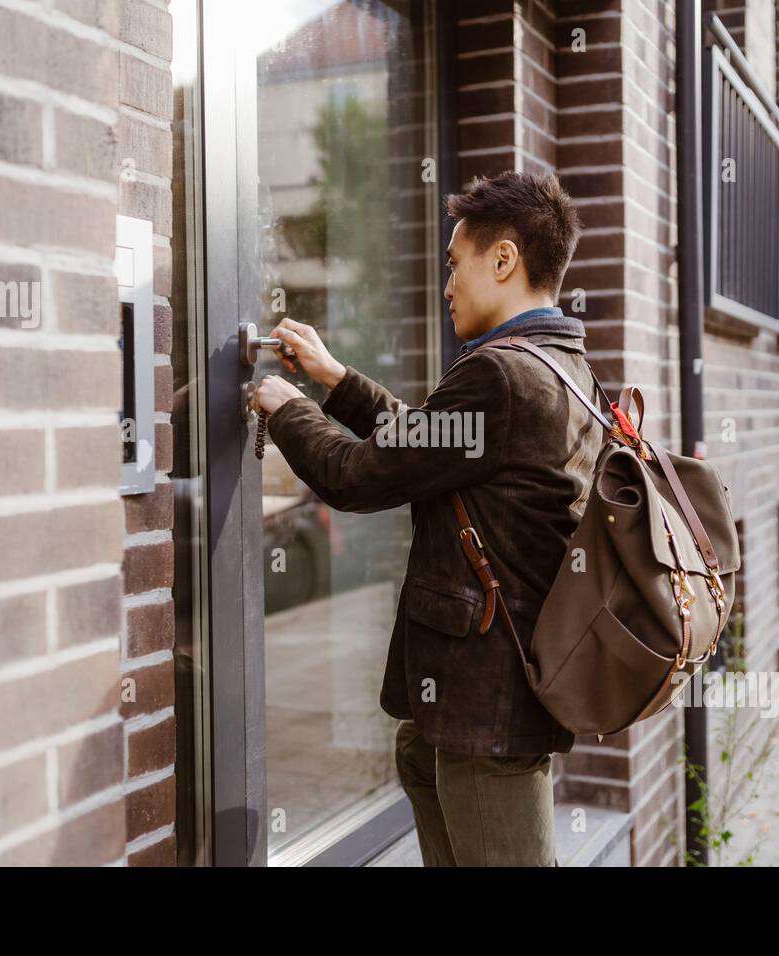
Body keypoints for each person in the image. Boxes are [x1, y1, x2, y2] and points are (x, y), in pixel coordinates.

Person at [251, 170, 601, 867]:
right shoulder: (561, 368)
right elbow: (429, 447)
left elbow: (359, 476)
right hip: (484, 710)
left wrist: (283, 407)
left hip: (488, 718)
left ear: (503, 259)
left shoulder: (500, 376)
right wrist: (335, 381)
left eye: (454, 264)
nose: (446, 286)